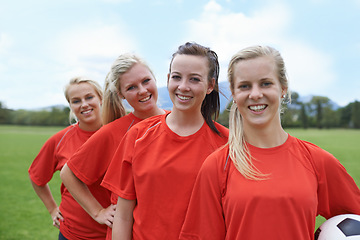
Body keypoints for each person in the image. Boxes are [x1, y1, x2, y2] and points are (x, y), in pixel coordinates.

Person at [179, 45, 360, 240]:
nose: (255, 94)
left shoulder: (318, 161)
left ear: (283, 88)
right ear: (233, 93)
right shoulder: (217, 166)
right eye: (244, 86)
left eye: (265, 83)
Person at [101, 42, 229, 240]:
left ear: (210, 85)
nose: (183, 86)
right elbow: (124, 216)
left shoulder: (227, 143)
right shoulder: (138, 135)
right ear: (168, 79)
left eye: (194, 79)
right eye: (177, 77)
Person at [60, 53, 166, 240]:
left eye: (146, 81)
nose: (142, 90)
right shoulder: (113, 132)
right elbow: (68, 173)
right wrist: (97, 212)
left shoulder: (177, 122)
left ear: (155, 79)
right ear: (121, 94)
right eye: (131, 87)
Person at [28, 77, 103, 240]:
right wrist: (52, 209)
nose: (84, 104)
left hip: (116, 231)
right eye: (76, 101)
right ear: (70, 106)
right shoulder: (60, 140)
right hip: (73, 233)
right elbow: (36, 177)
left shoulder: (120, 132)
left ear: (101, 99)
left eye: (89, 97)